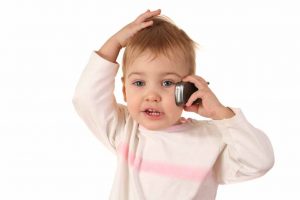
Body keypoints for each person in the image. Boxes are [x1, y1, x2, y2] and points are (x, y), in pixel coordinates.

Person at [72, 9, 274, 200]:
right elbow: (86, 98)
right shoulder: (124, 130)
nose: (152, 96)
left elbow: (259, 162)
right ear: (124, 90)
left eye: (167, 83)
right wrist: (115, 42)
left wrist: (221, 113)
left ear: (188, 89)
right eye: (139, 83)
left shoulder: (211, 139)